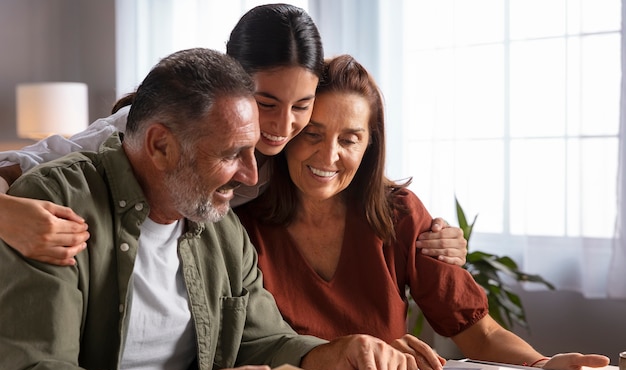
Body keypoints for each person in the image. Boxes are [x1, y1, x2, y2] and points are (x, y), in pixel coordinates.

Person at [0, 48, 415, 370]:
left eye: (253, 151)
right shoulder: (52, 206)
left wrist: (333, 355)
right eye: (232, 154)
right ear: (161, 147)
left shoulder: (221, 228)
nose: (252, 174)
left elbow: (266, 341)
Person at [234, 54, 610, 370]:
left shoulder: (399, 214)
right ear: (289, 131)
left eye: (349, 139)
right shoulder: (241, 227)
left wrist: (544, 367)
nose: (328, 155)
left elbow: (477, 333)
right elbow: (250, 353)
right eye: (313, 134)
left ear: (369, 145)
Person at [0, 3, 466, 267]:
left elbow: (340, 165)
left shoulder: (288, 148)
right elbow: (13, 167)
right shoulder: (145, 130)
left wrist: (436, 235)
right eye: (266, 105)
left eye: (301, 107)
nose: (283, 128)